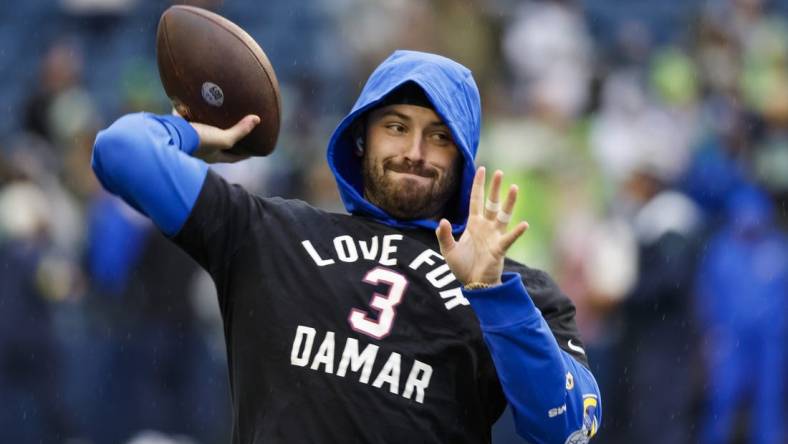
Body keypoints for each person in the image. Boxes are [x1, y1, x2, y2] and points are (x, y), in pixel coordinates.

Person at [92, 50, 601, 443]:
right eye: (396, 127)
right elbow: (121, 152)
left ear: (465, 156)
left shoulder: (515, 289)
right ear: (361, 138)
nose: (414, 152)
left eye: (440, 136)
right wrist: (195, 135)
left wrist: (490, 293)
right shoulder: (270, 233)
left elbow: (564, 429)